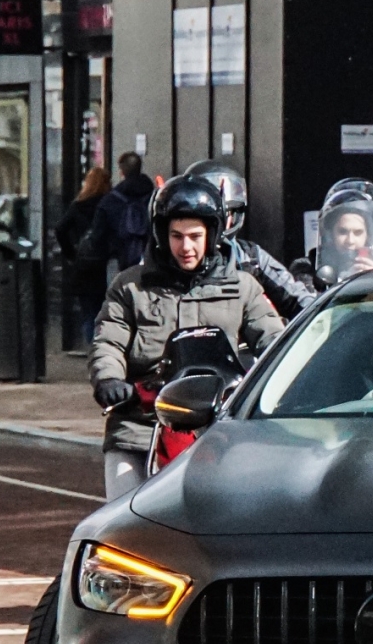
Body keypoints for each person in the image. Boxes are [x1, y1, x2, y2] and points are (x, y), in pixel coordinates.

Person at [88, 174, 284, 497]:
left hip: (219, 435)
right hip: (139, 429)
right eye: (176, 236)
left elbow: (276, 345)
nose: (186, 246)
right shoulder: (129, 286)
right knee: (122, 522)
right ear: (162, 235)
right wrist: (109, 380)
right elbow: (108, 341)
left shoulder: (243, 287)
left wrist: (285, 384)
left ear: (213, 234)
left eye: (195, 235)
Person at [185, 159, 313, 316]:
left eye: (225, 214)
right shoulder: (169, 259)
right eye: (209, 216)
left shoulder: (251, 258)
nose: (217, 223)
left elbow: (297, 299)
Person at [55, 164, 112, 353]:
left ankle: (94, 350)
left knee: (89, 313)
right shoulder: (108, 204)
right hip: (106, 263)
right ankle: (104, 348)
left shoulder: (78, 206)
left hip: (85, 266)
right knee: (108, 312)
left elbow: (60, 229)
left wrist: (71, 254)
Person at [88, 150, 153, 284]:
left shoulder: (109, 201)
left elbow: (97, 237)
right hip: (149, 261)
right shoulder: (154, 197)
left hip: (118, 261)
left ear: (122, 172)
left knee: (118, 300)